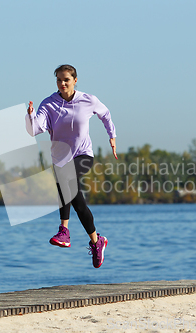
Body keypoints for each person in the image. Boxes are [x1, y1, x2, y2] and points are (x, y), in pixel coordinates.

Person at [25, 64, 117, 268]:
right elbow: (35, 129)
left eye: (66, 79)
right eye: (59, 80)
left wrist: (112, 136)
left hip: (83, 155)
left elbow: (106, 114)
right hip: (60, 160)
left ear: (75, 80)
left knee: (66, 178)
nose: (62, 83)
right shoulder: (48, 104)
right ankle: (96, 241)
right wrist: (30, 115)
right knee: (78, 203)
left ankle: (64, 231)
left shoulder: (88, 100)